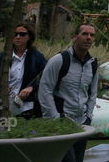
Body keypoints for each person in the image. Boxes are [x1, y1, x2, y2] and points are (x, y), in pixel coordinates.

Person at [39, 24, 98, 162]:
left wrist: (88, 117)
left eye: (92, 35)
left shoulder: (93, 65)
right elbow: (45, 89)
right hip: (62, 124)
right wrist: (54, 118)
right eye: (84, 34)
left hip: (82, 124)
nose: (88, 38)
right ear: (75, 37)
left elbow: (93, 94)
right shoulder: (59, 60)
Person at [0, 22, 47, 118]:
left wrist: (32, 88)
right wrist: (1, 89)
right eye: (15, 34)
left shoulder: (37, 57)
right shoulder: (2, 57)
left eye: (22, 34)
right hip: (2, 106)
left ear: (29, 37)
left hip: (27, 108)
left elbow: (46, 79)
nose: (18, 37)